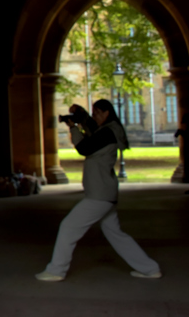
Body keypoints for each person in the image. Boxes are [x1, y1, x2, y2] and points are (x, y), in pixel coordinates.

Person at [35, 99, 162, 282]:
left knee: (68, 227)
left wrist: (73, 127)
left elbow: (84, 148)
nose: (94, 117)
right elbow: (93, 129)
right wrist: (81, 114)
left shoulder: (107, 133)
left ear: (106, 113)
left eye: (97, 113)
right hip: (105, 193)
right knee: (116, 234)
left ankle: (56, 270)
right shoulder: (109, 130)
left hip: (99, 195)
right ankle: (150, 269)